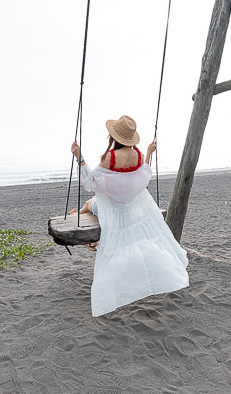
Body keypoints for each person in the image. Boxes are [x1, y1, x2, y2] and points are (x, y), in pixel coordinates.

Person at [70, 115, 189, 317]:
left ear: (114, 136)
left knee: (90, 204)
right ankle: (79, 213)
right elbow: (145, 175)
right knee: (94, 205)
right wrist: (150, 152)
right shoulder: (137, 155)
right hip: (131, 208)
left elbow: (90, 182)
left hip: (109, 210)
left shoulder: (111, 157)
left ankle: (77, 215)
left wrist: (79, 157)